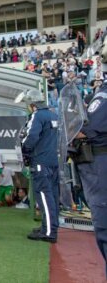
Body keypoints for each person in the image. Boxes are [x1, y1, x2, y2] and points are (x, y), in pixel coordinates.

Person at [75, 58, 107, 275]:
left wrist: (71, 131)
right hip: (96, 163)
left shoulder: (103, 94)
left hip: (99, 163)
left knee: (104, 226)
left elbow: (87, 129)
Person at [16, 89, 59, 243]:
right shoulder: (54, 115)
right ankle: (48, 226)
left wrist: (25, 150)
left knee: (44, 196)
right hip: (53, 161)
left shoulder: (37, 115)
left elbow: (31, 136)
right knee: (52, 196)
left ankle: (48, 232)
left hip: (40, 161)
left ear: (32, 104)